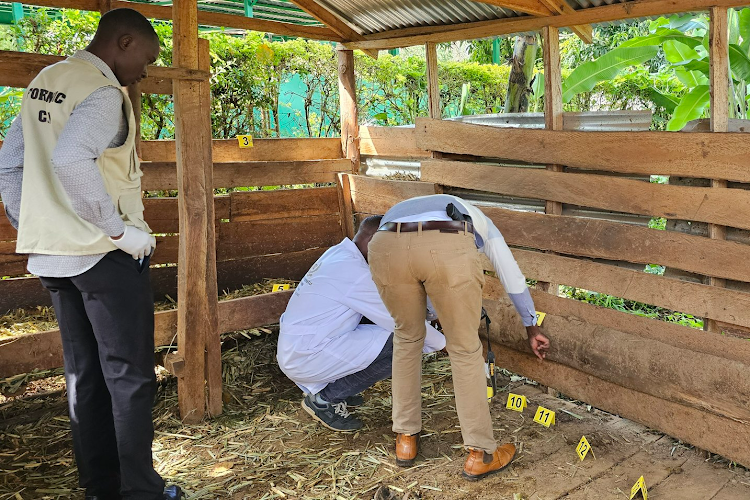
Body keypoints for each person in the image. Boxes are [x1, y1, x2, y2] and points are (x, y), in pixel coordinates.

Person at [0, 9, 182, 500]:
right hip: (103, 256)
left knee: (83, 373)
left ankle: (101, 487)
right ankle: (141, 491)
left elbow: (10, 163)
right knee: (129, 375)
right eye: (146, 59)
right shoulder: (102, 93)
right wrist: (118, 232)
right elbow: (70, 160)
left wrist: (35, 226)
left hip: (53, 256)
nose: (144, 72)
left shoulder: (48, 80)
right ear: (124, 42)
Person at [368, 194, 551, 481]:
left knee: (406, 339)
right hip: (447, 245)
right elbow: (511, 275)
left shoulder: (408, 207)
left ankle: (405, 441)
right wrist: (531, 325)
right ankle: (481, 454)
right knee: (465, 349)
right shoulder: (484, 225)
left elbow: (416, 270)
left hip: (385, 243)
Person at [277, 215, 446, 432]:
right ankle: (326, 399)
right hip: (310, 355)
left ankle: (340, 389)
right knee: (405, 343)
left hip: (302, 348)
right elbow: (400, 320)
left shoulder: (341, 254)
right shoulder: (354, 274)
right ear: (374, 243)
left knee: (394, 338)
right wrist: (445, 344)